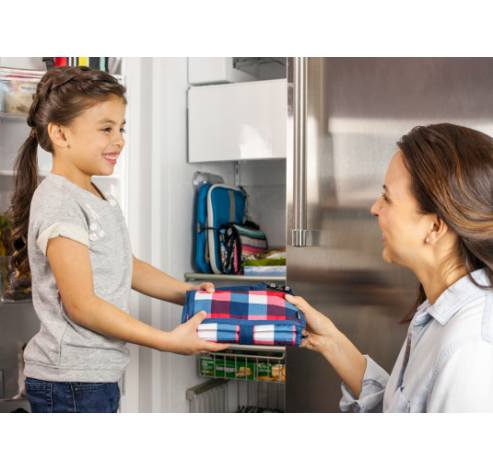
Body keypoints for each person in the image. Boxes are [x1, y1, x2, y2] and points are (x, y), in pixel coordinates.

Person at [8, 66, 228, 413]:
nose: (120, 139)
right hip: (70, 381)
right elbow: (82, 305)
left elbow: (129, 265)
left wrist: (187, 293)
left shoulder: (94, 195)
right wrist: (168, 341)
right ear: (61, 134)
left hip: (91, 378)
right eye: (106, 128)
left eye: (121, 127)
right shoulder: (60, 202)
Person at [286, 123, 493, 412]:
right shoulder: (436, 311)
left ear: (434, 226)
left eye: (387, 197)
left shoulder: (471, 349)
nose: (374, 207)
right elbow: (397, 409)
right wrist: (331, 342)